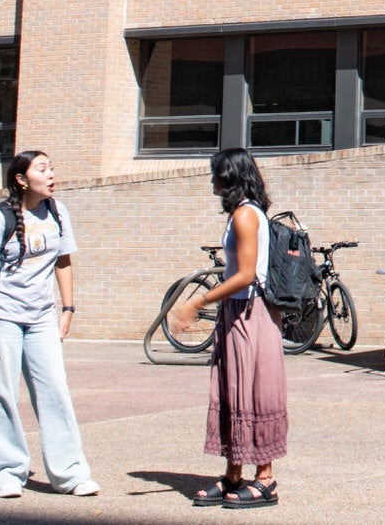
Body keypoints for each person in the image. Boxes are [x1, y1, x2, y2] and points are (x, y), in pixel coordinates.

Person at [0, 151, 98, 498]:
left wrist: (67, 309)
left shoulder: (57, 211)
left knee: (55, 390)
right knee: (0, 392)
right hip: (1, 317)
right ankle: (4, 473)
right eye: (42, 169)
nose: (51, 174)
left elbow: (63, 261)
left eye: (51, 167)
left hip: (41, 319)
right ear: (21, 179)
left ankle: (70, 474)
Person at [168, 148, 287, 509]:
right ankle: (234, 473)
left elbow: (246, 275)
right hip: (237, 311)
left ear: (230, 176)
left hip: (251, 314)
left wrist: (196, 302)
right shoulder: (242, 213)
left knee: (254, 390)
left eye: (216, 173)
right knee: (233, 391)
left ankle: (265, 478)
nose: (212, 180)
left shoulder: (246, 216)